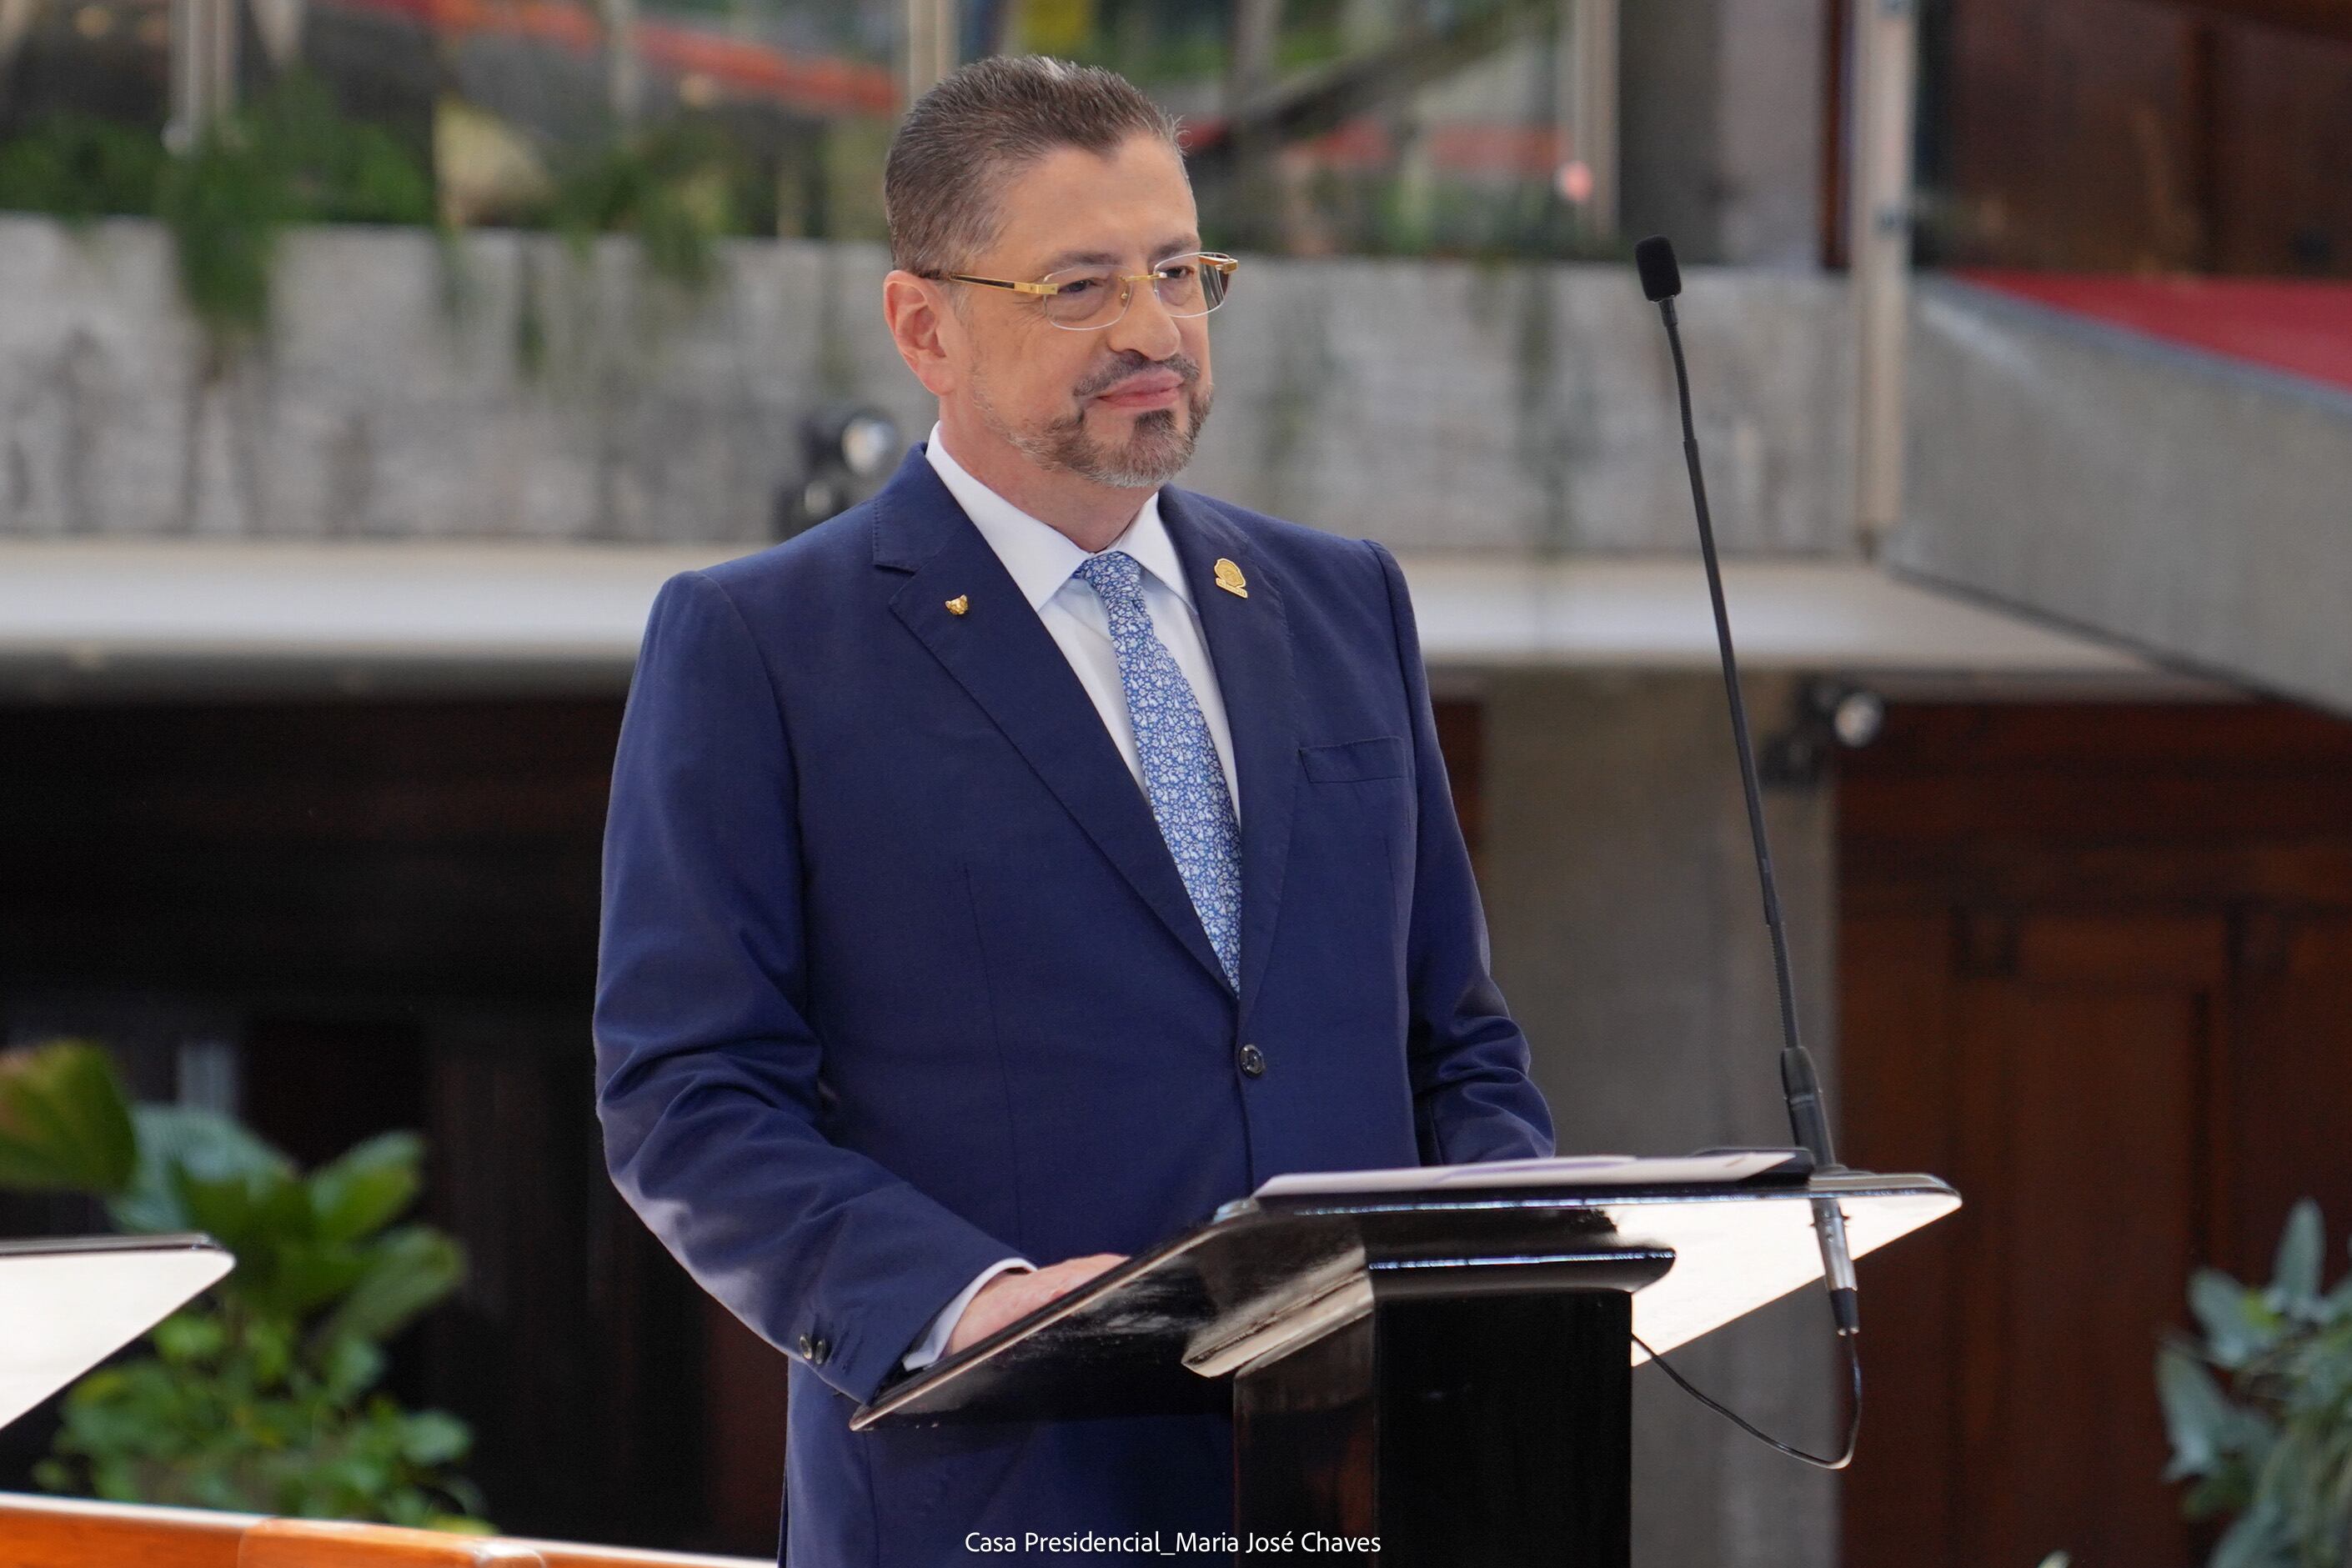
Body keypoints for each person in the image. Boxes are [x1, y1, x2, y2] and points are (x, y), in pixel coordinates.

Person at [593, 54, 1554, 1568]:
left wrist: (1506, 1262)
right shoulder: (764, 645)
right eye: (1081, 285)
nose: (1154, 330)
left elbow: (1458, 1040)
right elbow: (686, 1099)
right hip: (999, 1497)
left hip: (1373, 1483)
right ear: (925, 324)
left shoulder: (1340, 599)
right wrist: (973, 1302)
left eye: (1179, 270)